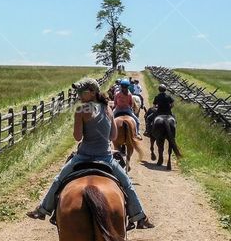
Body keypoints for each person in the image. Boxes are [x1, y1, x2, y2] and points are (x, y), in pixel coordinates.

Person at [27, 77, 154, 228]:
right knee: (127, 184)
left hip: (83, 156)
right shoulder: (108, 108)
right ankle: (139, 216)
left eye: (82, 91)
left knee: (58, 180)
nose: (79, 94)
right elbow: (113, 136)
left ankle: (43, 210)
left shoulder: (81, 109)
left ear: (93, 93)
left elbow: (77, 137)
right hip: (106, 158)